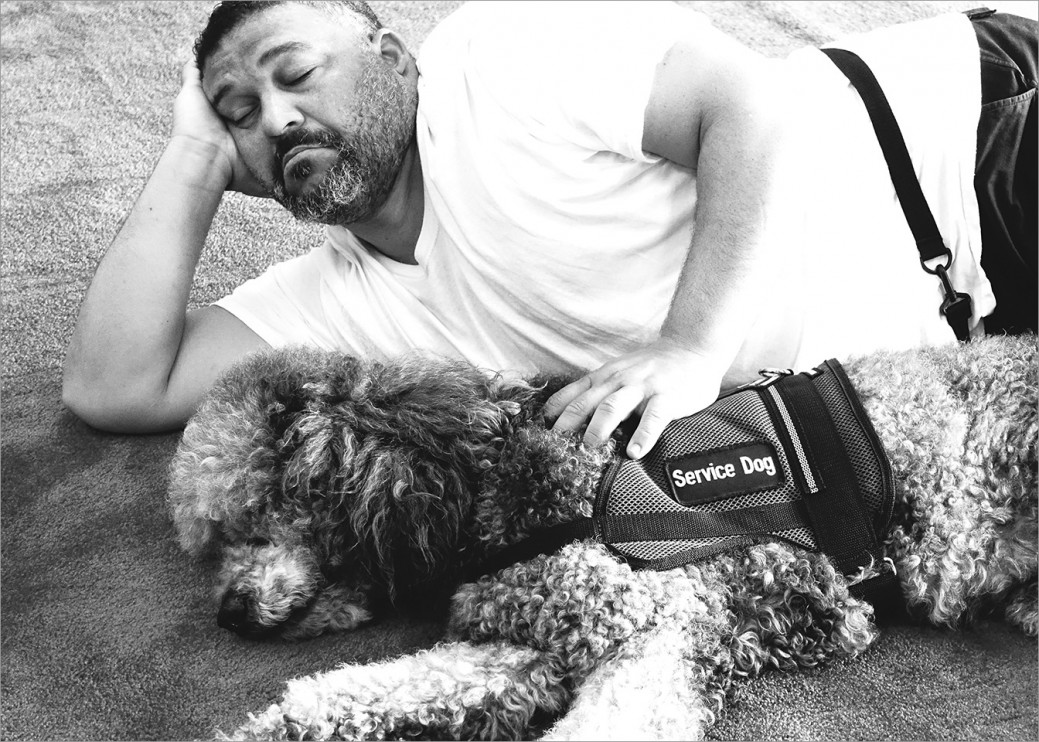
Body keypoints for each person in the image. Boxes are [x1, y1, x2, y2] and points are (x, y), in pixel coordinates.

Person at [62, 1, 1037, 460]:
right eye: (237, 111)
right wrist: (191, 157)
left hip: (970, 138)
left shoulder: (496, 59)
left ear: (391, 56)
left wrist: (690, 350)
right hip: (968, 328)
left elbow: (749, 105)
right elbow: (116, 385)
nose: (272, 118)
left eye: (294, 70)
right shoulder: (342, 298)